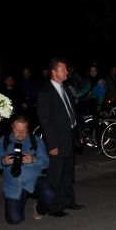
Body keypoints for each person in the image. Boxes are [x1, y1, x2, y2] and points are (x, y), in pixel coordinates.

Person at [37, 58, 85, 214]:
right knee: (55, 174)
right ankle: (54, 206)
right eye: (63, 69)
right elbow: (45, 121)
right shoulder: (45, 92)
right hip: (57, 140)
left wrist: (78, 134)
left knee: (68, 173)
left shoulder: (65, 89)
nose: (66, 72)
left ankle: (68, 201)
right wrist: (52, 144)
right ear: (54, 72)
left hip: (70, 137)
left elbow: (73, 113)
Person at [0, 116, 60, 223]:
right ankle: (17, 205)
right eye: (17, 130)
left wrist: (34, 159)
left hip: (33, 181)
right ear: (12, 127)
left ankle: (39, 209)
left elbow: (46, 163)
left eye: (24, 131)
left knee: (50, 194)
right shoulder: (3, 141)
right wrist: (3, 161)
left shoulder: (36, 140)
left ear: (28, 128)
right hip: (14, 185)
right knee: (14, 220)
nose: (20, 134)